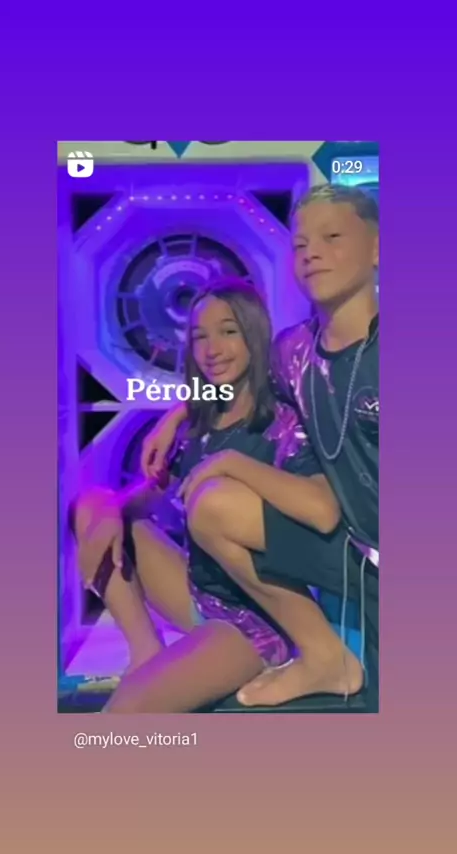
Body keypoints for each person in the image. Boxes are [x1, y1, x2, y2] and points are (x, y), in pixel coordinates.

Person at [141, 184, 379, 711]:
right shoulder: (293, 351)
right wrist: (176, 415)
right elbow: (233, 374)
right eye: (301, 244)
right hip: (351, 556)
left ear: (378, 248)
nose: (311, 253)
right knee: (210, 506)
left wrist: (227, 460)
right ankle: (322, 657)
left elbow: (321, 507)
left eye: (332, 237)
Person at [70, 278, 342, 713]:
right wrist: (107, 512)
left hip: (255, 621)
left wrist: (231, 463)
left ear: (254, 333)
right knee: (92, 505)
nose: (212, 349)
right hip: (198, 595)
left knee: (126, 714)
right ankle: (145, 653)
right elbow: (148, 495)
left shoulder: (284, 422)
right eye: (199, 336)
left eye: (228, 331)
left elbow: (322, 510)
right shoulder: (199, 422)